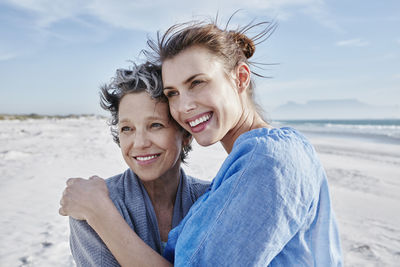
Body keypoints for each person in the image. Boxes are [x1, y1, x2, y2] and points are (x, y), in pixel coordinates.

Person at [60, 17, 343, 266]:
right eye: (173, 93)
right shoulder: (234, 177)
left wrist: (100, 213)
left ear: (240, 78)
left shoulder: (268, 159)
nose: (184, 106)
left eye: (197, 83)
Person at [60, 62, 210, 266]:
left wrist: (102, 215)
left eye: (155, 125)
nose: (139, 143)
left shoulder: (211, 200)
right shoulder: (88, 204)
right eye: (127, 128)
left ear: (185, 134)